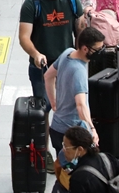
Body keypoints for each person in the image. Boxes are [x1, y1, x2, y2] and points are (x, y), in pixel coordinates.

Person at [20, 0, 87, 114]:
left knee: (69, 108)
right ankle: (43, 137)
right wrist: (36, 54)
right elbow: (24, 37)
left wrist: (80, 57)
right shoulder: (32, 4)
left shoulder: (72, 0)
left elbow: (80, 31)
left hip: (66, 64)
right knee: (43, 109)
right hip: (41, 66)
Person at [44, 26, 107, 154]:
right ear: (85, 49)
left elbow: (48, 76)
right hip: (71, 134)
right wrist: (92, 128)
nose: (100, 53)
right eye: (98, 49)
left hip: (57, 127)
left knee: (63, 171)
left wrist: (53, 102)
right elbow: (80, 104)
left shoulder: (68, 52)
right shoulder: (79, 71)